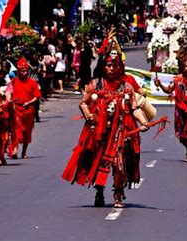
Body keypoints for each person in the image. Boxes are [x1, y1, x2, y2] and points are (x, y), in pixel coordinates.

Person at [62, 41, 150, 208]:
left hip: (120, 130)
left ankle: (117, 194)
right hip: (99, 132)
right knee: (99, 161)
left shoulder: (127, 86)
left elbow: (135, 107)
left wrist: (144, 122)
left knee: (118, 162)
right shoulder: (94, 85)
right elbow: (83, 103)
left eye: (115, 65)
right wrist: (89, 115)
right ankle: (99, 191)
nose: (111, 68)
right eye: (109, 65)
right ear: (103, 66)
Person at [9, 58, 41, 159]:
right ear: (18, 72)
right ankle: (15, 150)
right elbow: (8, 91)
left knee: (27, 131)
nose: (25, 73)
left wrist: (28, 102)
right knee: (16, 130)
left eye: (26, 71)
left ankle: (24, 152)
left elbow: (37, 96)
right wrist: (10, 101)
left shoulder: (32, 82)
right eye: (23, 71)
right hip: (16, 109)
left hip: (29, 110)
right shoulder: (14, 81)